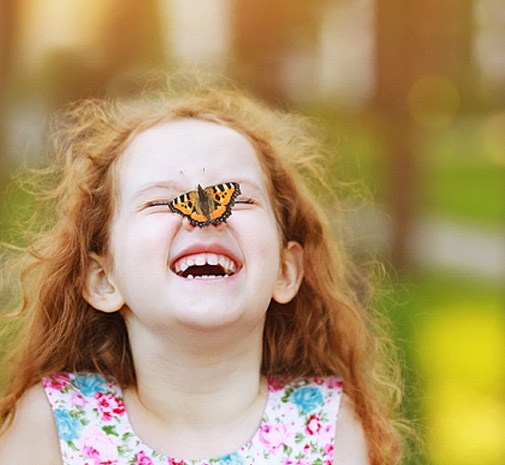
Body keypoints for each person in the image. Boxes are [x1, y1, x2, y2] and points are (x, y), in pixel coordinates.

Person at [0, 77, 406, 464]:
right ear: (103, 280)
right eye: (161, 203)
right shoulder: (53, 424)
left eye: (238, 199)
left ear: (285, 270)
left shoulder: (328, 425)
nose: (204, 219)